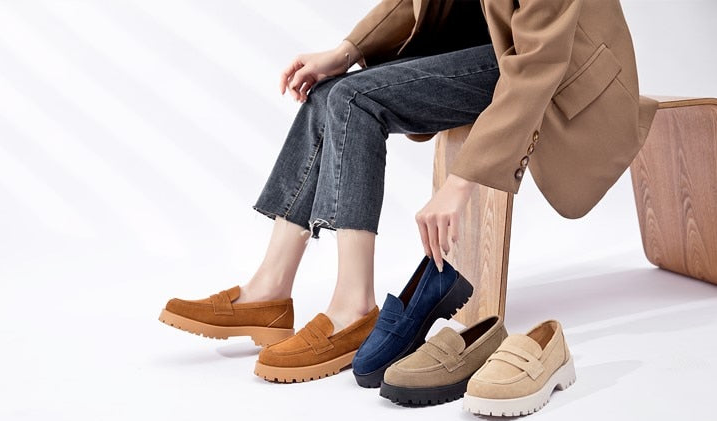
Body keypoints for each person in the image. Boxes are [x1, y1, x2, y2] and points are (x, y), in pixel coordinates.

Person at [159, 0, 656, 383]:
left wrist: (461, 181)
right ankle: (268, 291)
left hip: (561, 74)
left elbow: (537, 63)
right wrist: (344, 52)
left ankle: (352, 308)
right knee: (329, 92)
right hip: (496, 48)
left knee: (354, 99)